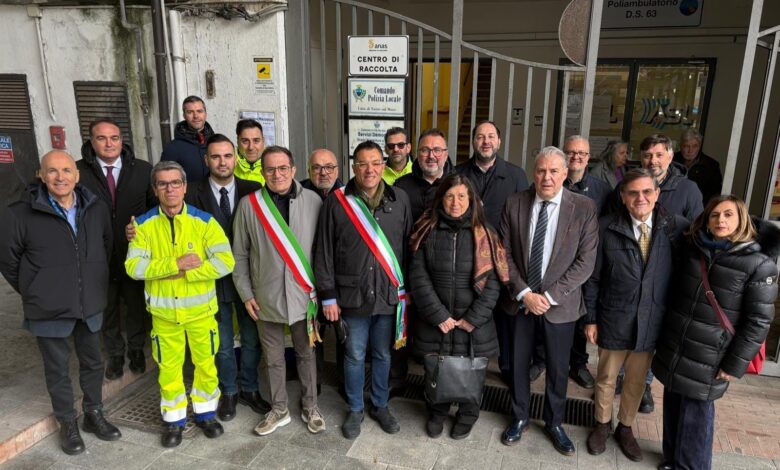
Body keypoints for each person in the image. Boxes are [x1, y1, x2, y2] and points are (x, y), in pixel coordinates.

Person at [0, 151, 121, 455]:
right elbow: (9, 262)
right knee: (57, 370)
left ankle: (94, 413)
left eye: (66, 170)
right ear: (41, 175)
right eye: (52, 171)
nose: (60, 177)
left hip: (89, 303)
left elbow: (105, 247)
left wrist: (92, 281)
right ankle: (67, 422)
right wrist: (35, 288)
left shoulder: (95, 207)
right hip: (48, 306)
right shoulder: (19, 213)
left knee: (93, 362)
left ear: (76, 175)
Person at [652, 195, 777, 470]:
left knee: (696, 415)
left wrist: (734, 364)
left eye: (728, 215)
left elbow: (758, 321)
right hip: (679, 345)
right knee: (674, 403)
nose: (721, 220)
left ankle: (692, 466)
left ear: (741, 219)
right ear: (706, 220)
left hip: (713, 353)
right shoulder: (694, 249)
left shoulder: (758, 264)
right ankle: (671, 459)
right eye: (715, 215)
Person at [125, 160, 234, 448]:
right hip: (164, 316)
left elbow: (226, 262)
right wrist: (174, 264)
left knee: (206, 365)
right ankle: (174, 420)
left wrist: (187, 272)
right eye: (163, 184)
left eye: (175, 183)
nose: (170, 189)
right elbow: (133, 267)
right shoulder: (142, 226)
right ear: (155, 189)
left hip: (201, 314)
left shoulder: (205, 222)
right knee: (169, 369)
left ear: (184, 187)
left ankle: (206, 414)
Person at [582, 169, 688, 462]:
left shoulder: (674, 228)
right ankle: (602, 424)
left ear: (657, 194)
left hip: (651, 320)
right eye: (633, 193)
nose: (640, 198)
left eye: (646, 192)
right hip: (613, 317)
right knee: (606, 377)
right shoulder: (606, 227)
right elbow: (593, 278)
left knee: (637, 381)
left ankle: (625, 427)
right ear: (623, 197)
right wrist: (591, 318)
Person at [499, 146, 598, 456]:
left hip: (560, 306)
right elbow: (503, 254)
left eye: (554, 171)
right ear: (534, 171)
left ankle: (555, 422)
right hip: (521, 302)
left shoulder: (583, 208)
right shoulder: (515, 202)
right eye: (541, 170)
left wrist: (550, 297)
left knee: (557, 367)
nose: (547, 177)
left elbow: (585, 262)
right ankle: (519, 416)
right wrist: (525, 294)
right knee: (518, 365)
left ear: (565, 173)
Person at [314, 140, 413, 439]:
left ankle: (380, 405)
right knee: (354, 355)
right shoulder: (337, 202)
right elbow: (324, 252)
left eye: (375, 163)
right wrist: (328, 296)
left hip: (387, 296)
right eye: (362, 164)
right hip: (351, 297)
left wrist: (407, 292)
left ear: (383, 165)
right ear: (353, 167)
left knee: (383, 354)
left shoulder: (400, 199)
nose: (369, 169)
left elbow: (407, 248)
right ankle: (355, 408)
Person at [232, 145, 326, 436]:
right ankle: (279, 409)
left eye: (283, 168)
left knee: (306, 354)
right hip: (266, 297)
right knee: (272, 357)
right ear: (262, 172)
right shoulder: (249, 205)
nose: (277, 174)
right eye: (270, 169)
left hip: (304, 296)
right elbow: (240, 255)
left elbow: (323, 251)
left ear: (293, 169)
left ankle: (311, 406)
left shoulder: (313, 201)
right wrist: (246, 294)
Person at [409, 174, 506, 440]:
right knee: (436, 370)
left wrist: (473, 318)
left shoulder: (486, 234)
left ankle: (467, 414)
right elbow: (418, 276)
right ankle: (437, 412)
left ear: (471, 200)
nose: (455, 202)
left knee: (472, 372)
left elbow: (494, 282)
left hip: (472, 323)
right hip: (436, 321)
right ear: (441, 199)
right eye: (450, 196)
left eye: (462, 196)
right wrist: (438, 314)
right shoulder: (426, 230)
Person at [182, 134, 268, 421]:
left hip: (250, 280)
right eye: (216, 156)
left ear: (235, 158)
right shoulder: (191, 192)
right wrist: (135, 229)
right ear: (206, 159)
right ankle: (229, 391)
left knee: (252, 339)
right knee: (222, 343)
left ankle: (250, 389)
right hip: (210, 281)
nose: (222, 162)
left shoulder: (253, 190)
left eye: (228, 156)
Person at [531, 135, 610, 389]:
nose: (576, 157)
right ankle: (540, 360)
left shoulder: (601, 191)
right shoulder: (547, 184)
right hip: (551, 267)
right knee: (546, 315)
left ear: (588, 158)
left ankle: (578, 364)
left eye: (582, 153)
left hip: (585, 266)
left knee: (579, 318)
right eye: (571, 152)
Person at [77, 119, 154, 380]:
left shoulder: (142, 170)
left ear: (122, 140)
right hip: (97, 254)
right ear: (91, 142)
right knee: (107, 307)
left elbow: (154, 209)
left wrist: (142, 230)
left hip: (133, 251)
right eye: (101, 138)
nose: (109, 144)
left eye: (114, 138)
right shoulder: (78, 173)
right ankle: (115, 353)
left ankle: (136, 349)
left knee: (136, 304)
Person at [455, 120, 529, 385]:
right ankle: (466, 374)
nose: (485, 141)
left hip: (504, 261)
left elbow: (524, 219)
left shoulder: (516, 175)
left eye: (490, 136)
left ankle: (507, 369)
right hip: (468, 260)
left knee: (505, 317)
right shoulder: (458, 172)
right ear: (473, 141)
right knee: (471, 313)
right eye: (480, 136)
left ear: (499, 141)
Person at [299, 148, 345, 396]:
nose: (323, 172)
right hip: (306, 277)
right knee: (311, 335)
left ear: (337, 170)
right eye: (317, 167)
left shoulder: (349, 195)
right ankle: (312, 384)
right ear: (308, 170)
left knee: (343, 335)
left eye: (329, 167)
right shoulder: (298, 193)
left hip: (339, 279)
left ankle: (344, 383)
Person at [639, 133, 703, 222]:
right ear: (641, 158)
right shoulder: (626, 186)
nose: (653, 161)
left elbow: (696, 227)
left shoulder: (689, 189)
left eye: (659, 155)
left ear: (670, 157)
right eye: (647, 156)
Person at [394, 128, 453, 222]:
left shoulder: (459, 185)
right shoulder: (400, 187)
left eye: (437, 150)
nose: (431, 156)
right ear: (417, 153)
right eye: (425, 150)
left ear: (446, 155)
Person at [161, 96, 214, 183]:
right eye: (190, 112)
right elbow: (165, 180)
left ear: (205, 114)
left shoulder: (215, 142)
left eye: (199, 111)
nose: (196, 116)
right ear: (184, 116)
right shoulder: (172, 148)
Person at [673, 128, 723, 206]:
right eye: (686, 146)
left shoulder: (711, 166)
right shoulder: (671, 160)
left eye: (694, 146)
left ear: (699, 146)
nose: (690, 151)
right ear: (681, 146)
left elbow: (714, 195)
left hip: (698, 208)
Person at [234, 119, 266, 185]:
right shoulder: (226, 165)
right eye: (245, 141)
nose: (251, 147)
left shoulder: (275, 166)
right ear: (237, 141)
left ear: (263, 141)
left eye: (256, 141)